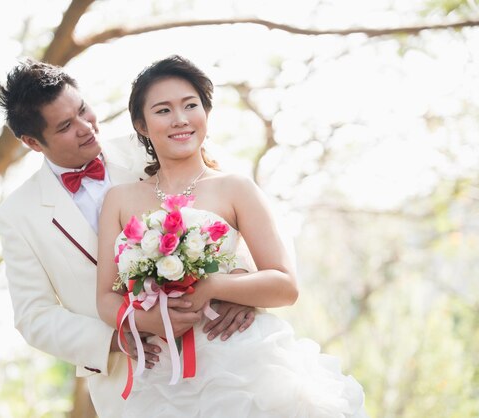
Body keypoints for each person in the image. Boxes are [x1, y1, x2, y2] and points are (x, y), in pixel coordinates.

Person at [96, 55, 368, 417]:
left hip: (242, 362)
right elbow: (105, 297)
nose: (180, 119)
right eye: (163, 110)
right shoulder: (120, 199)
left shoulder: (235, 187)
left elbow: (285, 285)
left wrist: (214, 287)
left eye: (190, 105)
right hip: (163, 373)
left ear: (206, 113)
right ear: (141, 125)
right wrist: (144, 320)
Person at [0, 58, 256, 418]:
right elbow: (33, 316)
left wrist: (238, 281)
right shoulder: (18, 214)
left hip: (219, 345)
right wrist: (116, 338)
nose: (87, 127)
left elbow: (226, 202)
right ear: (32, 142)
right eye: (67, 126)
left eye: (84, 109)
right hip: (130, 382)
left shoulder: (151, 138)